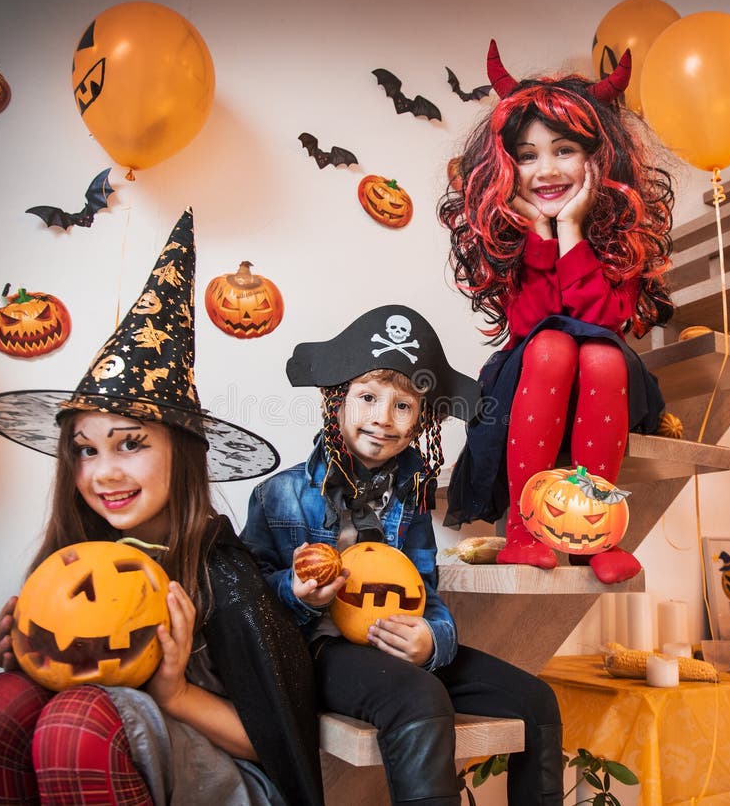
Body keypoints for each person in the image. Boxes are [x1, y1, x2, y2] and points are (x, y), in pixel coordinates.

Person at [0, 209, 324, 806]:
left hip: (216, 780)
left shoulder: (223, 572)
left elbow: (279, 743)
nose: (103, 472)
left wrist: (173, 689)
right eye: (84, 450)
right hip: (89, 758)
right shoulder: (72, 563)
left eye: (131, 443)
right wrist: (33, 657)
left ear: (180, 454)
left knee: (76, 719)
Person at [241, 304, 564, 806]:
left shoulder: (409, 501)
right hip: (321, 649)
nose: (383, 419)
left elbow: (425, 589)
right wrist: (297, 591)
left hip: (396, 638)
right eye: (368, 397)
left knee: (536, 701)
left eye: (403, 406)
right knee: (418, 696)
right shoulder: (277, 495)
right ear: (336, 403)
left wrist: (432, 640)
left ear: (420, 423)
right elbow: (248, 597)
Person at [438, 41, 675, 584]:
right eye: (527, 155)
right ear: (505, 166)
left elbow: (601, 319)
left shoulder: (620, 238)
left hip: (599, 368)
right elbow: (533, 321)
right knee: (551, 342)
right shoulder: (510, 238)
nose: (545, 170)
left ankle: (594, 539)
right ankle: (525, 531)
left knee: (602, 354)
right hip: (534, 367)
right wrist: (541, 234)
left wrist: (572, 229)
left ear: (599, 159)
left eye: (563, 150)